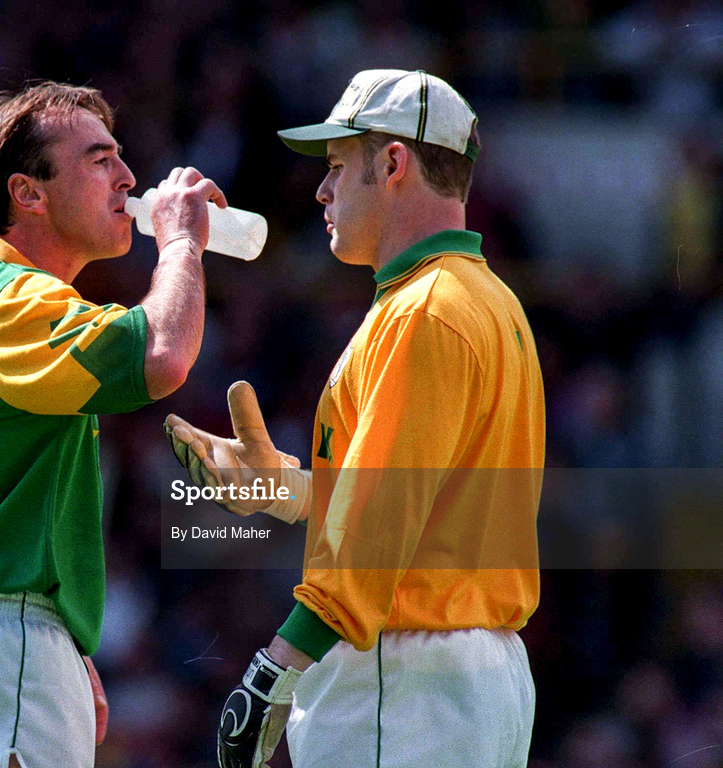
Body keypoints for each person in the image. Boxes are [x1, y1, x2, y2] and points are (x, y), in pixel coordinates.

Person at [166, 69, 545, 768]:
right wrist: (291, 489)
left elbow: (379, 529)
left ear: (394, 163)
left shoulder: (422, 308)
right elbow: (426, 507)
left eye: (338, 165)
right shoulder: (490, 301)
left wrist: (278, 664)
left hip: (400, 675)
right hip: (468, 680)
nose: (321, 189)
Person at [0, 80, 225, 768]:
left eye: (120, 157)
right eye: (98, 160)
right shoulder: (10, 299)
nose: (127, 177)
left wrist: (50, 633)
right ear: (28, 193)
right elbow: (162, 355)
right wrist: (181, 246)